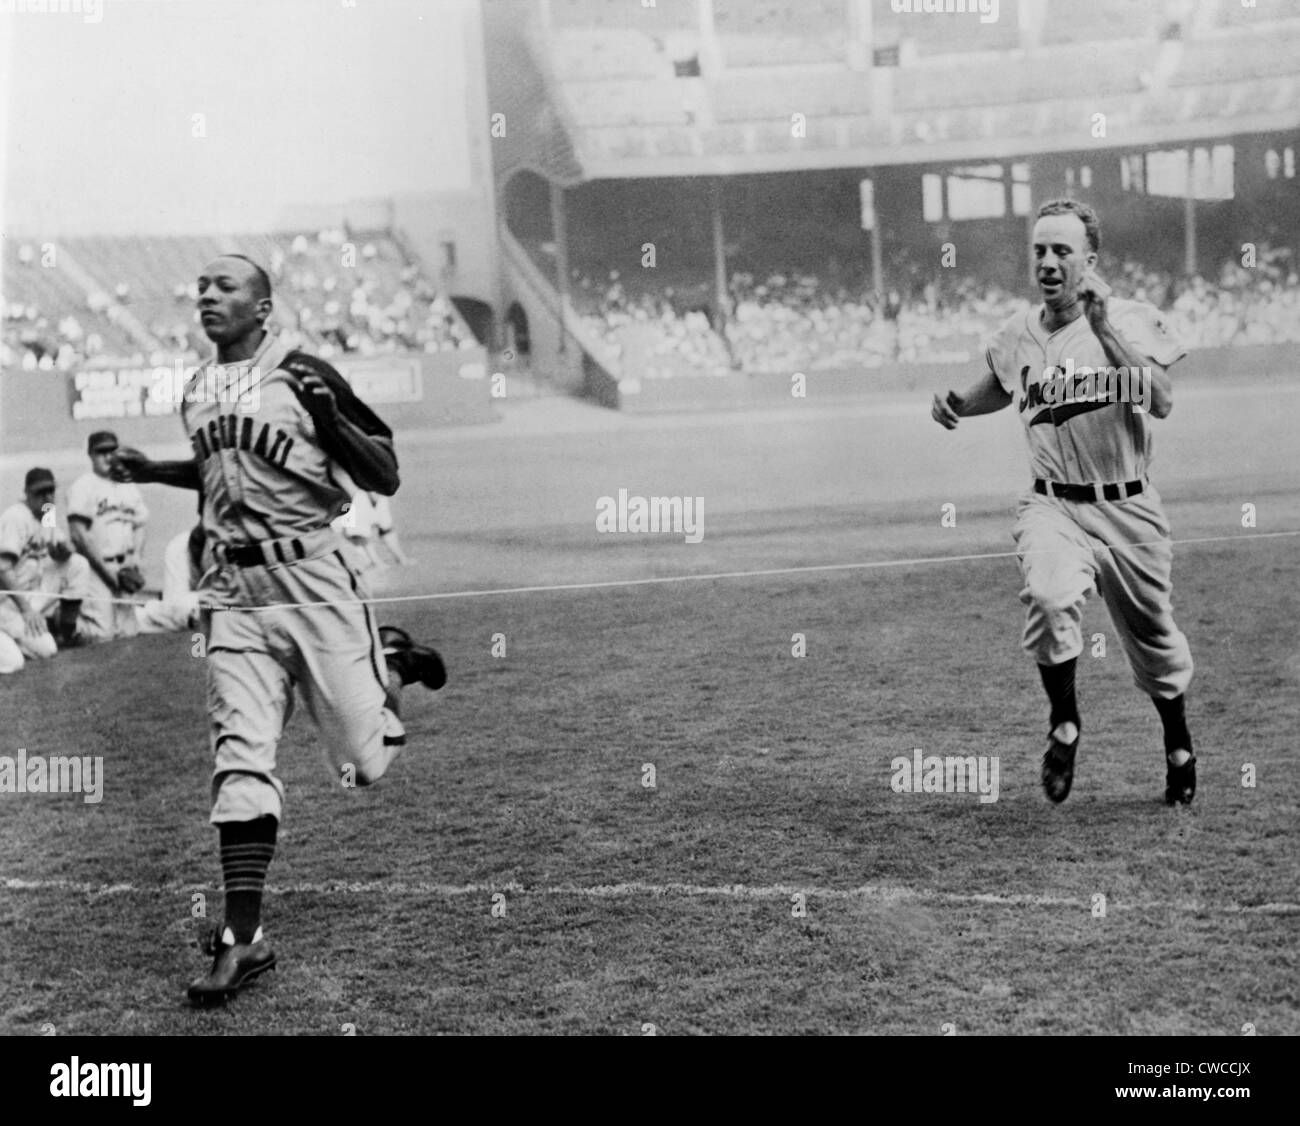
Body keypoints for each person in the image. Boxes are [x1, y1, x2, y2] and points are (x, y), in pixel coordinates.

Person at [110, 253, 447, 1006]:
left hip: (316, 581)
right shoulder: (198, 389)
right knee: (239, 759)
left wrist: (330, 419)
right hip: (234, 592)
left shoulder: (303, 374)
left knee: (364, 762)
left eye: (225, 286)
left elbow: (385, 472)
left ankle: (388, 660)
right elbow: (221, 468)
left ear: (263, 309)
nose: (206, 294)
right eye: (200, 285)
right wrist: (154, 472)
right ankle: (244, 940)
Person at [931, 199, 1196, 806]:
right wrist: (958, 405)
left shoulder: (1128, 318)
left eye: (1062, 251)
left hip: (1128, 508)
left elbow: (1161, 399)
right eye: (1039, 250)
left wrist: (1104, 330)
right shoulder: (1017, 333)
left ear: (1090, 261)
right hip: (1052, 505)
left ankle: (1179, 744)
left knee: (1155, 641)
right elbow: (1002, 384)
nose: (1048, 263)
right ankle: (1065, 724)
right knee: (1049, 599)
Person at [0, 468, 93, 674]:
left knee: (78, 564)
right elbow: (3, 568)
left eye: (51, 491)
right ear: (27, 493)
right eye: (41, 493)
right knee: (17, 661)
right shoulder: (16, 517)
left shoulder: (47, 512)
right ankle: (11, 637)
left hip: (33, 592)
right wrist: (26, 610)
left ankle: (66, 630)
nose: (48, 497)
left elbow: (57, 546)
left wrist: (65, 550)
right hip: (9, 601)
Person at [67, 430, 149, 640]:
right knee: (102, 634)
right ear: (90, 455)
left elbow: (140, 524)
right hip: (96, 568)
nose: (107, 457)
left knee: (129, 632)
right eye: (100, 452)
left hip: (125, 567)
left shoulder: (127, 484)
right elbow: (79, 536)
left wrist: (137, 557)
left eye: (111, 451)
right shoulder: (83, 486)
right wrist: (108, 574)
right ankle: (66, 625)